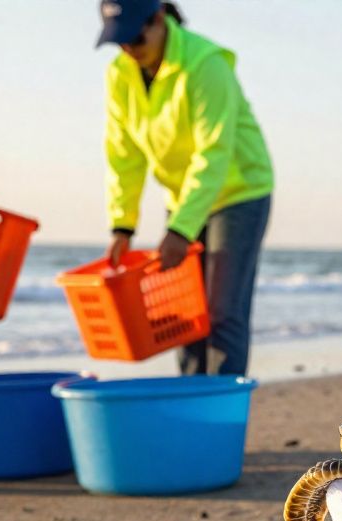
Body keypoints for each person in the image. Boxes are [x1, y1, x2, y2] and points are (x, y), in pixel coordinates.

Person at [97, 0, 273, 377]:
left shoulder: (205, 64)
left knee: (223, 312)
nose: (129, 48)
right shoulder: (120, 74)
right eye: (120, 40)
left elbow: (214, 152)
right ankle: (191, 403)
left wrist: (180, 230)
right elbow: (123, 155)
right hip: (184, 197)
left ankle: (222, 407)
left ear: (159, 18)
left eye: (136, 37)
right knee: (185, 315)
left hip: (239, 191)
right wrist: (122, 225)